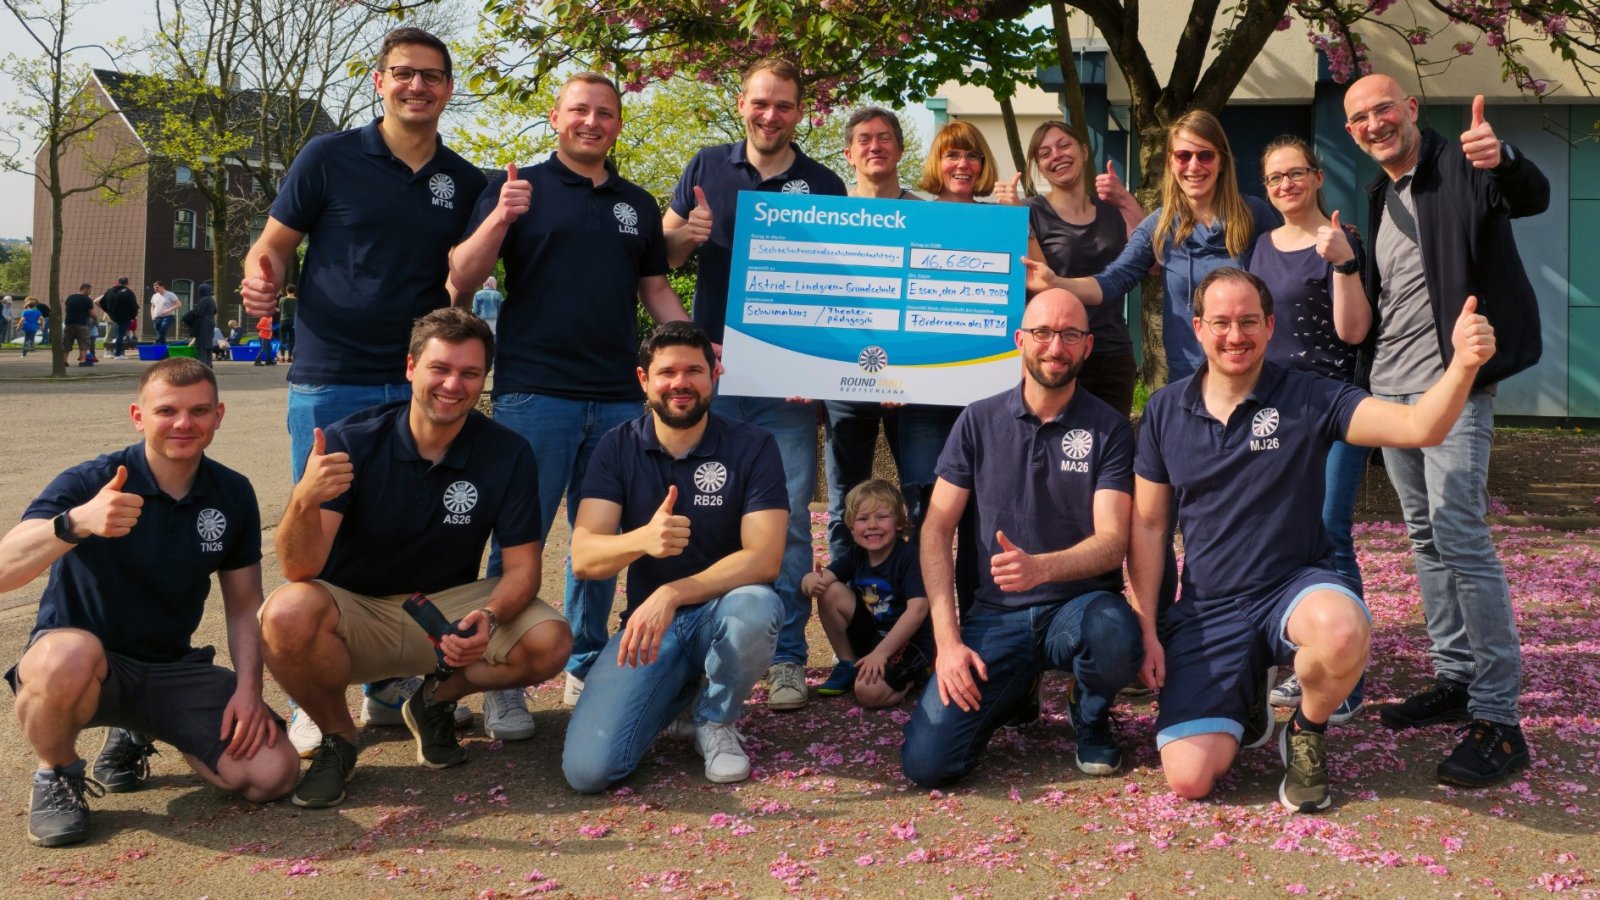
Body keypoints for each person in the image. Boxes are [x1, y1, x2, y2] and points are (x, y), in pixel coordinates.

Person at [1130, 267, 1497, 813]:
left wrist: (1464, 366)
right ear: (1199, 327)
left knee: (1343, 630)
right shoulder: (1164, 409)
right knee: (1190, 779)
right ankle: (1247, 691)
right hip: (1209, 607)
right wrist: (1145, 626)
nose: (1237, 336)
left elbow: (1421, 427)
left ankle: (1305, 730)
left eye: (1250, 321)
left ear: (1271, 325)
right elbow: (1149, 525)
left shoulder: (1310, 395)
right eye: (1223, 323)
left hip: (1293, 588)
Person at [238, 27, 492, 747]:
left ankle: (391, 690)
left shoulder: (465, 181)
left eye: (433, 76)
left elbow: (466, 277)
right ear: (379, 81)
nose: (418, 87)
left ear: (448, 88)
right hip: (332, 375)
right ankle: (311, 699)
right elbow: (273, 244)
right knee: (318, 537)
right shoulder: (328, 156)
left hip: (422, 386)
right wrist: (262, 276)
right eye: (404, 74)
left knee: (410, 533)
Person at [259, 308, 572, 809]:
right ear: (410, 368)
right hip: (357, 610)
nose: (454, 384)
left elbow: (522, 569)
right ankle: (339, 738)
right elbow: (300, 570)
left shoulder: (507, 452)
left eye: (470, 373)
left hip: (442, 610)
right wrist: (303, 500)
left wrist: (489, 617)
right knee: (286, 612)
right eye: (440, 368)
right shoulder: (349, 440)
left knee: (549, 642)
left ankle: (433, 702)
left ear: (483, 379)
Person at [447, 72, 690, 710]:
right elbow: (461, 279)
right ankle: (505, 674)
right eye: (579, 110)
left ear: (617, 123)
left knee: (603, 541)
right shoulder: (513, 186)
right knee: (517, 538)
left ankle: (584, 663)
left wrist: (698, 341)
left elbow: (656, 290)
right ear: (556, 115)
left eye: (605, 113)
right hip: (534, 393)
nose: (591, 122)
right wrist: (500, 215)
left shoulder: (636, 203)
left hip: (615, 396)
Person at [0, 358, 299, 847]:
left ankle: (141, 729)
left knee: (273, 775)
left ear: (218, 415)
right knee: (65, 657)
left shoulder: (232, 492)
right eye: (167, 411)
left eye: (199, 410)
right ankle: (57, 774)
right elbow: (4, 569)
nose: (184, 423)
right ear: (138, 416)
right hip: (84, 667)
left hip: (168, 668)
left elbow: (245, 603)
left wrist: (248, 690)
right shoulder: (91, 481)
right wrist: (74, 524)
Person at [1342, 76, 1547, 786]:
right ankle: (1456, 676)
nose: (1375, 123)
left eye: (1383, 110)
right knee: (1426, 535)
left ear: (1411, 110)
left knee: (1460, 533)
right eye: (1360, 117)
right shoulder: (1378, 195)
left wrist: (1506, 157)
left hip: (1454, 385)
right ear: (1351, 131)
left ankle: (1499, 719)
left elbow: (1532, 196)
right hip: (1393, 389)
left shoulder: (1465, 162)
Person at [662, 57, 848, 712]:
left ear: (801, 112)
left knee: (791, 518)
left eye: (784, 105)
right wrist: (685, 235)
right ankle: (700, 652)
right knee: (700, 512)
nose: (771, 116)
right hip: (712, 379)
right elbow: (664, 257)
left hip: (787, 389)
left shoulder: (824, 184)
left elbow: (839, 292)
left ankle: (790, 658)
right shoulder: (705, 166)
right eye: (760, 103)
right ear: (741, 103)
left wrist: (818, 374)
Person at [901, 289, 1144, 786]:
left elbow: (1113, 539)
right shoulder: (977, 419)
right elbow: (935, 530)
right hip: (996, 615)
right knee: (928, 765)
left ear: (1087, 347)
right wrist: (947, 645)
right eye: (1043, 333)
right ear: (1020, 341)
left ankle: (1090, 711)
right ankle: (1014, 687)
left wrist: (1042, 567)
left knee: (1117, 634)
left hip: (1077, 608)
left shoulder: (1111, 429)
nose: (1056, 346)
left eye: (1070, 335)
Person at [562, 321, 786, 791]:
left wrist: (671, 591)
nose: (680, 383)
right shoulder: (616, 445)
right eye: (666, 372)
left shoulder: (754, 444)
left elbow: (764, 558)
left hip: (718, 613)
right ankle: (680, 693)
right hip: (650, 630)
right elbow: (584, 556)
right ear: (644, 379)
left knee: (756, 605)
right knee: (589, 772)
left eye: (694, 371)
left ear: (715, 375)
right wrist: (641, 540)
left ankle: (716, 720)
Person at [1248, 135, 1372, 723]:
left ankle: (1347, 672)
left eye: (1295, 174)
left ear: (1318, 177)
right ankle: (1302, 655)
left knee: (1329, 531)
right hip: (1271, 409)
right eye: (1274, 178)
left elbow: (1353, 333)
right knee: (1275, 532)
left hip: (1331, 406)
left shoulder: (1344, 241)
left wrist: (1343, 262)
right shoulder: (1258, 247)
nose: (1285, 185)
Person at [1027, 110, 1277, 383]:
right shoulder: (1159, 226)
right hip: (1190, 379)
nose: (1193, 166)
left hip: (1253, 374)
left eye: (1205, 155)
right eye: (1183, 156)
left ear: (1222, 162)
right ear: (1171, 162)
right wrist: (1056, 282)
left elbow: (1284, 284)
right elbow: (1111, 281)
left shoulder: (1254, 215)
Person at [821, 107, 917, 577]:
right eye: (864, 139)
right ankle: (845, 603)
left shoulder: (928, 214)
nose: (874, 146)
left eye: (884, 138)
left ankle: (918, 601)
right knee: (844, 502)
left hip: (915, 388)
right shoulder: (827, 219)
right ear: (848, 154)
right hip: (843, 385)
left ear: (900, 149)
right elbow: (811, 300)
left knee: (919, 500)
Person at [1007, 122, 1144, 416]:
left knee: (1111, 447)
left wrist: (1125, 199)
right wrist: (1020, 223)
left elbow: (1151, 258)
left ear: (1083, 152)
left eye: (1064, 145)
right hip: (1056, 352)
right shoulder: (1030, 211)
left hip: (1111, 350)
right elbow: (1038, 280)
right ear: (1040, 168)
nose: (1056, 155)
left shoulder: (1112, 211)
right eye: (1044, 153)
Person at [804, 479, 932, 706]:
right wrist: (810, 581)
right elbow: (823, 581)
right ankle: (847, 663)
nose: (872, 525)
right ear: (852, 528)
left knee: (867, 693)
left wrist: (881, 654)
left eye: (881, 517)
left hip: (908, 643)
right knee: (829, 591)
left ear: (899, 523)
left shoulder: (910, 557)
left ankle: (915, 675)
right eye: (863, 519)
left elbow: (918, 609)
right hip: (874, 637)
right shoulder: (855, 555)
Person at [98, 277, 140, 360]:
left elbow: (101, 302)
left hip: (113, 316)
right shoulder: (128, 292)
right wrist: (133, 316)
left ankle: (113, 352)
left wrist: (108, 311)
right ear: (127, 283)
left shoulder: (110, 291)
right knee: (120, 335)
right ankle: (118, 354)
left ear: (118, 282)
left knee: (116, 335)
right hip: (125, 317)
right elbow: (133, 305)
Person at [62, 283, 99, 366]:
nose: (90, 292)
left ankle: (64, 361)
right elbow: (92, 314)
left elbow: (66, 310)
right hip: (81, 324)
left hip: (69, 323)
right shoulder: (87, 300)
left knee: (66, 342)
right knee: (84, 342)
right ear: (85, 289)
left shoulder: (70, 298)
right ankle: (82, 361)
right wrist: (96, 321)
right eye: (89, 290)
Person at [150, 281, 180, 346]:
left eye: (157, 287)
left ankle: (156, 341)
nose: (155, 289)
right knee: (158, 330)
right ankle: (162, 346)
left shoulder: (170, 294)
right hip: (157, 317)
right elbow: (152, 306)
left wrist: (168, 310)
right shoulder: (154, 296)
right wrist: (152, 315)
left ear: (162, 287)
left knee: (163, 327)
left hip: (168, 316)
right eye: (154, 288)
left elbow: (179, 304)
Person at [277, 284, 298, 363]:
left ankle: (282, 357)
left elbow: (280, 308)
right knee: (292, 339)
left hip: (283, 321)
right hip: (293, 322)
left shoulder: (282, 299)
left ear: (286, 290)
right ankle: (290, 356)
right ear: (294, 291)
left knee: (282, 339)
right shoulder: (297, 300)